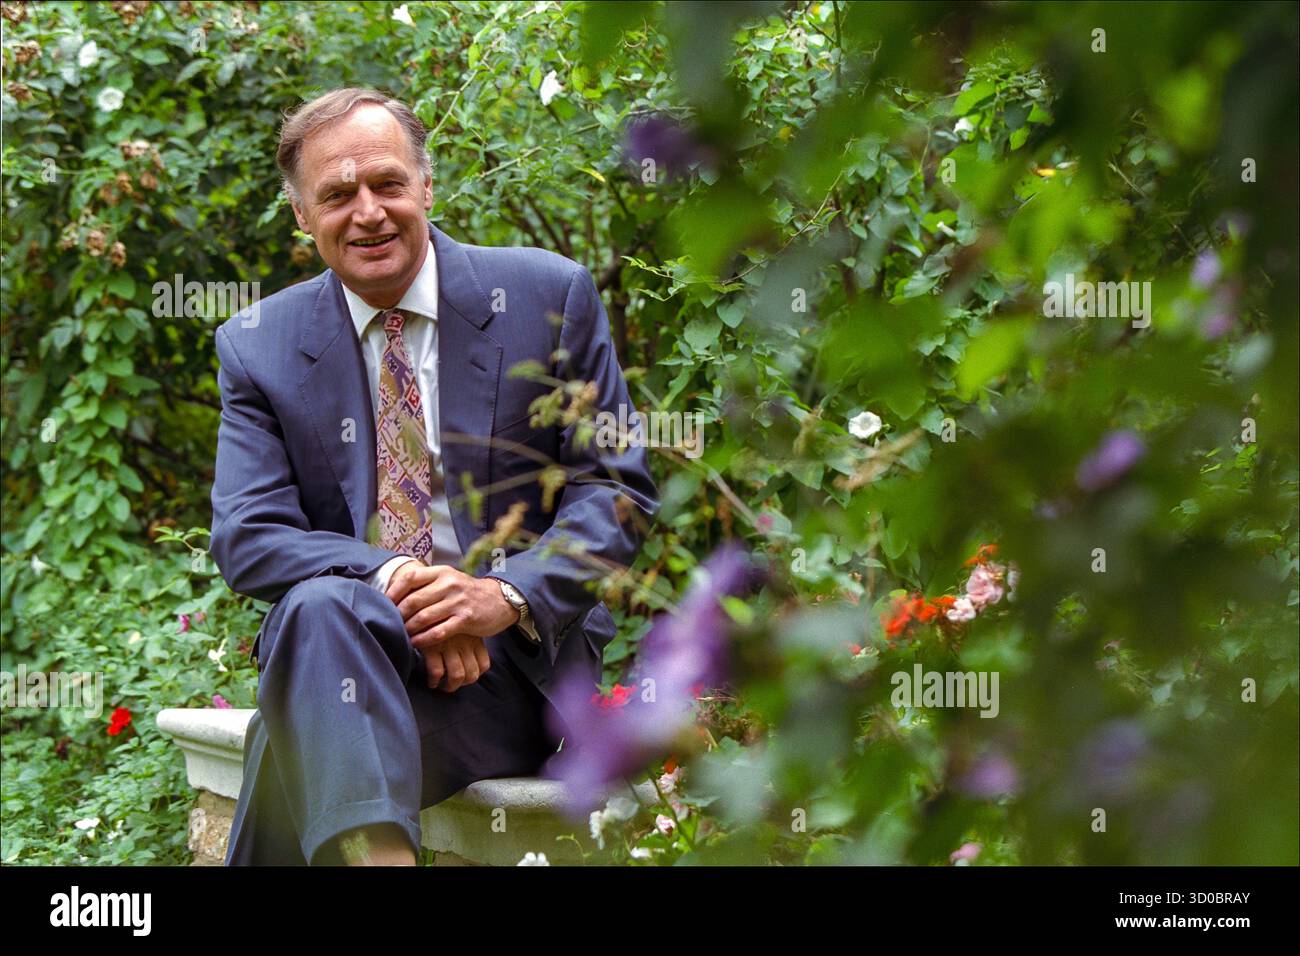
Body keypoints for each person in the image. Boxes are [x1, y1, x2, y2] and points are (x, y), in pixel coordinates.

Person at [210, 88, 657, 865]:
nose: (368, 212)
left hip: (512, 673)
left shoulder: (546, 296)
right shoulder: (257, 345)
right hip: (351, 653)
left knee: (299, 700)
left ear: (426, 187)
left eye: (386, 183)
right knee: (321, 610)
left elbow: (615, 490)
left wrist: (500, 596)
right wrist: (397, 580)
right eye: (337, 195)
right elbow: (248, 535)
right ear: (301, 217)